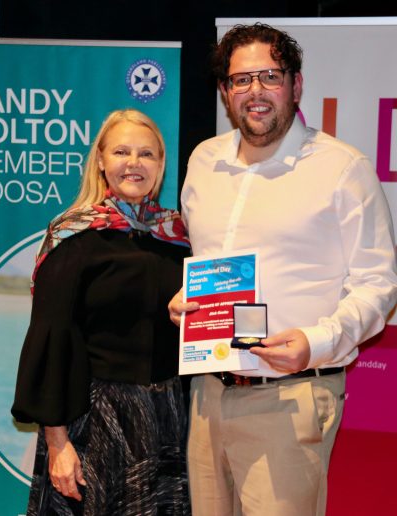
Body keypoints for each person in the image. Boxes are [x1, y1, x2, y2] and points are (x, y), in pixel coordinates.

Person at [168, 23, 397, 516]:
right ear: (225, 92)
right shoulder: (204, 162)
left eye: (270, 76)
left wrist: (316, 342)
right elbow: (204, 261)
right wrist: (187, 303)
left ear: (296, 85)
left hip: (290, 397)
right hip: (208, 393)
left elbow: (378, 284)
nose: (255, 91)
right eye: (241, 79)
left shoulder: (342, 168)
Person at [11, 109, 191, 515]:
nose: (134, 163)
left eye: (147, 154)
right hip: (92, 425)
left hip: (169, 424)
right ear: (101, 161)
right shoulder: (72, 236)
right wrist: (58, 444)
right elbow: (51, 342)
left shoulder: (180, 239)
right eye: (122, 152)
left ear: (161, 164)